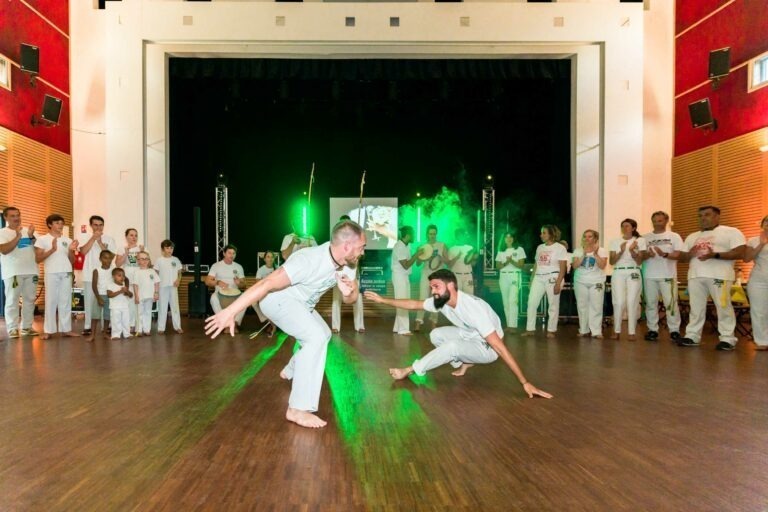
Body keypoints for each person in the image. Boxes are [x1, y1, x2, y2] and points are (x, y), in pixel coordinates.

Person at [205, 220, 367, 429]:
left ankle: (291, 368)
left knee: (324, 334)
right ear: (347, 246)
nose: (363, 252)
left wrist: (350, 291)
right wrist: (230, 311)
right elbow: (266, 284)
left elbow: (350, 300)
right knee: (315, 337)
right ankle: (297, 409)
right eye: (361, 246)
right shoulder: (308, 260)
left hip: (303, 305)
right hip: (277, 300)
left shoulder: (350, 263)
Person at [364, 269, 552, 398]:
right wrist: (383, 300)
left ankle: (410, 370)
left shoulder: (472, 308)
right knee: (436, 335)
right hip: (470, 335)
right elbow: (414, 304)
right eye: (432, 287)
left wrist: (525, 382)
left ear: (451, 286)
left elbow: (499, 347)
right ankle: (465, 362)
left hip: (488, 349)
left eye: (436, 286)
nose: (433, 291)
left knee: (452, 346)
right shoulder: (442, 301)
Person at [677, 206, 746, 351]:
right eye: (700, 215)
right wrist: (691, 252)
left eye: (707, 215)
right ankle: (692, 336)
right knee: (696, 308)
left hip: (719, 275)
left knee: (723, 306)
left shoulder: (731, 232)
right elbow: (682, 258)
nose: (703, 218)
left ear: (717, 216)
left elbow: (740, 252)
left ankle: (728, 338)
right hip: (695, 276)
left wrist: (714, 255)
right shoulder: (692, 236)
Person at [34, 214, 80, 340]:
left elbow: (72, 261)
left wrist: (71, 250)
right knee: (51, 301)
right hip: (51, 273)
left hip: (66, 273)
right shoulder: (42, 239)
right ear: (50, 224)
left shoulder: (68, 240)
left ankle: (66, 330)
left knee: (65, 301)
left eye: (61, 223)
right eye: (57, 223)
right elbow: (38, 259)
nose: (60, 225)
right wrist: (52, 250)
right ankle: (48, 331)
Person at [642, 211, 685, 342]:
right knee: (650, 304)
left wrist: (664, 254)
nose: (656, 223)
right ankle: (652, 330)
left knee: (671, 304)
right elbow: (640, 257)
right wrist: (647, 255)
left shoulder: (674, 236)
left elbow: (679, 255)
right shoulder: (645, 238)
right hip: (649, 275)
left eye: (659, 221)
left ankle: (674, 331)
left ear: (666, 221)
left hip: (668, 275)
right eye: (654, 221)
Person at [522, 225, 568, 338]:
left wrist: (558, 282)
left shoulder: (560, 248)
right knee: (531, 303)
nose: (541, 235)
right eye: (541, 233)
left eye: (544, 233)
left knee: (553, 304)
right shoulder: (540, 248)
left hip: (553, 277)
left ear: (551, 234)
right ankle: (530, 329)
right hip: (538, 277)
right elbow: (536, 264)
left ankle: (551, 330)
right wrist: (531, 279)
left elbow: (563, 267)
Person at [0, 207, 39, 338]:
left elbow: (39, 249)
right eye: (12, 216)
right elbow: (4, 250)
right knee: (12, 300)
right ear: (5, 218)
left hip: (32, 271)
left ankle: (27, 327)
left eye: (17, 215)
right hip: (13, 273)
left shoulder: (30, 231)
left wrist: (31, 235)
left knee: (30, 300)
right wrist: (18, 236)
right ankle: (12, 328)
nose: (16, 218)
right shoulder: (2, 233)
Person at [77, 216, 117, 335]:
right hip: (89, 274)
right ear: (91, 226)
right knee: (90, 301)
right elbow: (83, 252)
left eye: (100, 225)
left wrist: (99, 242)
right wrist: (93, 239)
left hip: (107, 275)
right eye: (95, 225)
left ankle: (107, 326)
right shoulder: (84, 237)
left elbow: (110, 256)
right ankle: (88, 326)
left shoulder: (109, 239)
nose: (98, 227)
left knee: (108, 301)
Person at [608, 219, 647, 341]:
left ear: (634, 228)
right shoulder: (615, 241)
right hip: (619, 271)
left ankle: (631, 332)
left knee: (632, 301)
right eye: (623, 226)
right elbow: (611, 262)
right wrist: (621, 251)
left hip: (633, 271)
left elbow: (640, 261)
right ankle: (616, 331)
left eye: (627, 226)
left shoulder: (640, 241)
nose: (625, 228)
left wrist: (631, 251)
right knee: (619, 301)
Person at [572, 230, 609, 338]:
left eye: (590, 236)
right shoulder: (577, 251)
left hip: (596, 281)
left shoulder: (602, 250)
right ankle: (583, 330)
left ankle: (596, 332)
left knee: (596, 306)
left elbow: (602, 266)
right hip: (580, 281)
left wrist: (595, 254)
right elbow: (574, 266)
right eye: (585, 236)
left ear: (595, 239)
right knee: (582, 305)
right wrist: (584, 254)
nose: (587, 239)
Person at [331, 215, 365, 334]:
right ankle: (335, 326)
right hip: (338, 275)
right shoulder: (336, 239)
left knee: (358, 299)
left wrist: (357, 274)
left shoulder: (355, 239)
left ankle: (359, 325)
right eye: (342, 223)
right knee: (336, 300)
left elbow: (358, 256)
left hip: (352, 274)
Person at [206, 244, 246, 333]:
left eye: (233, 253)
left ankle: (234, 323)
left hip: (235, 295)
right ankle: (224, 323)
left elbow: (244, 284)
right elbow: (207, 281)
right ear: (224, 253)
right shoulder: (216, 266)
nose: (232, 255)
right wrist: (217, 282)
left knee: (245, 298)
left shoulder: (238, 267)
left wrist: (239, 283)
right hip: (220, 294)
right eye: (229, 253)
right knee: (213, 298)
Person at [414, 224, 447, 331]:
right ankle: (418, 322)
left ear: (436, 234)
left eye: (434, 233)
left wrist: (442, 259)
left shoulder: (442, 245)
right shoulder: (422, 246)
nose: (432, 235)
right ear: (427, 234)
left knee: (436, 298)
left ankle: (433, 322)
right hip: (425, 274)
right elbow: (418, 264)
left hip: (437, 275)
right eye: (430, 233)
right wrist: (423, 257)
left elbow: (447, 261)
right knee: (422, 297)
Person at [495, 231, 526, 333]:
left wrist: (511, 261)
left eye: (511, 237)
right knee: (506, 301)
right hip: (503, 276)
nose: (509, 239)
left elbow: (521, 265)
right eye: (507, 237)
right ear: (504, 239)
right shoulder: (501, 251)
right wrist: (506, 262)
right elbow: (498, 266)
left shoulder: (519, 249)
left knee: (513, 300)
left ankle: (513, 326)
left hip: (514, 275)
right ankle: (509, 325)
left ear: (514, 239)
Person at [745, 215, 768, 350]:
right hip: (758, 280)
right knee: (759, 311)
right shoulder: (753, 240)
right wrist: (761, 244)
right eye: (766, 221)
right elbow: (747, 258)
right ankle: (762, 341)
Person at [391, 226, 419, 335]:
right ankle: (403, 329)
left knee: (404, 300)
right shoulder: (399, 246)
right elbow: (406, 265)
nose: (414, 236)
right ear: (407, 235)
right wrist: (417, 255)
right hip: (399, 276)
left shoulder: (407, 245)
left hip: (404, 276)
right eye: (413, 234)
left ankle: (397, 327)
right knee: (403, 301)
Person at [85, 249, 115, 341]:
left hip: (109, 296)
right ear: (100, 259)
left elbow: (121, 278)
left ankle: (105, 333)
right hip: (99, 296)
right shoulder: (96, 270)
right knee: (95, 316)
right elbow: (94, 286)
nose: (108, 260)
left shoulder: (113, 270)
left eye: (109, 258)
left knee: (107, 316)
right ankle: (92, 335)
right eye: (105, 258)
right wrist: (98, 298)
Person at [117, 228, 143, 334]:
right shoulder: (122, 248)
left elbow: (148, 264)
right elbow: (118, 264)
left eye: (136, 235)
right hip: (127, 277)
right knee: (129, 303)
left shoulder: (141, 248)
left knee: (139, 302)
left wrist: (142, 253)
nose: (134, 238)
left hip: (139, 277)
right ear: (126, 236)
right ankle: (129, 325)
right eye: (131, 235)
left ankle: (139, 326)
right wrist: (126, 253)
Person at [155, 240, 183, 334]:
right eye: (167, 248)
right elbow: (156, 274)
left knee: (175, 307)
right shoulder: (159, 260)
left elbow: (179, 273)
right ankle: (161, 328)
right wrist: (156, 287)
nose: (170, 250)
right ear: (163, 249)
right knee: (162, 307)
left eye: (171, 248)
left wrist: (178, 280)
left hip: (173, 286)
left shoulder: (176, 260)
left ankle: (177, 327)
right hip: (163, 286)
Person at [132, 251, 159, 336]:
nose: (144, 261)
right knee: (139, 312)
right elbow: (135, 285)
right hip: (140, 296)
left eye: (146, 259)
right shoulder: (137, 272)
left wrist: (156, 293)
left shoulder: (152, 271)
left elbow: (156, 283)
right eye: (142, 259)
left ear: (149, 260)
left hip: (150, 296)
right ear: (138, 261)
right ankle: (139, 330)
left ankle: (147, 329)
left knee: (148, 312)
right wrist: (136, 296)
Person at [253, 251, 278, 337]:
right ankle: (268, 321)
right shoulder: (261, 270)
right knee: (254, 303)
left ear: (274, 258)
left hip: (275, 293)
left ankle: (274, 325)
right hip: (264, 293)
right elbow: (257, 284)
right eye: (268, 257)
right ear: (264, 259)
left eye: (272, 257)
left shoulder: (277, 269)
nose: (270, 259)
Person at [446, 228, 478, 295]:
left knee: (470, 297)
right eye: (462, 235)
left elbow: (474, 264)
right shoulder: (452, 249)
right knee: (457, 297)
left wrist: (473, 258)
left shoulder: (470, 248)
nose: (464, 237)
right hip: (456, 276)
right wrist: (457, 257)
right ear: (457, 236)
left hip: (468, 276)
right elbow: (449, 266)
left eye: (464, 235)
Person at [107, 268, 133, 340]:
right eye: (119, 275)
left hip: (125, 307)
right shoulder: (110, 285)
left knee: (126, 321)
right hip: (115, 307)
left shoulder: (125, 286)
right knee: (116, 321)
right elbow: (109, 295)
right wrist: (120, 291)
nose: (122, 277)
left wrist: (127, 291)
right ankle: (116, 335)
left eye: (123, 276)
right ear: (113, 276)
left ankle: (127, 333)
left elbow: (131, 295)